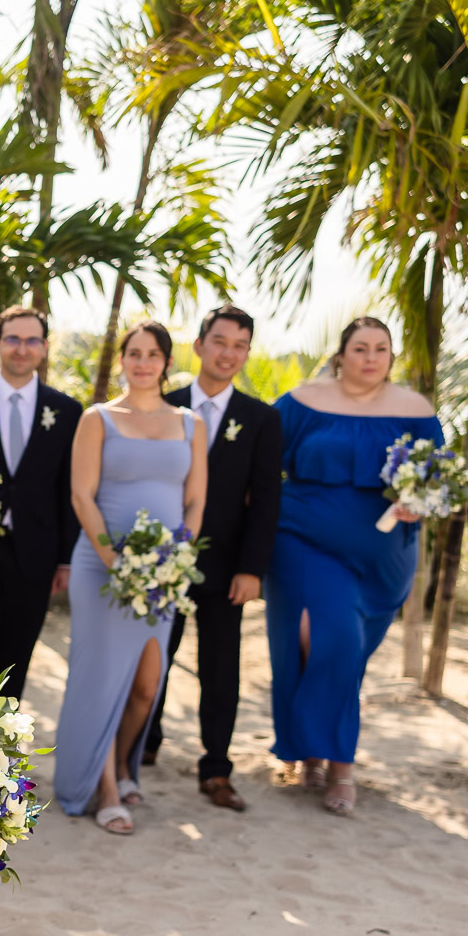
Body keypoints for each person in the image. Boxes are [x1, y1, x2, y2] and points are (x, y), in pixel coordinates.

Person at [265, 317, 440, 816]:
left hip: (384, 555)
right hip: (302, 539)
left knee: (345, 654)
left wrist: (420, 501)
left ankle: (310, 750)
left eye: (381, 349)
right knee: (331, 639)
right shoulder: (302, 401)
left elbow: (437, 477)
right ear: (340, 354)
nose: (370, 357)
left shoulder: (416, 409)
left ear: (391, 357)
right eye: (360, 348)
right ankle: (341, 765)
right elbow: (261, 461)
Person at [55, 322, 206, 833]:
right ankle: (106, 790)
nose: (143, 362)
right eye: (134, 354)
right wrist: (116, 560)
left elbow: (196, 501)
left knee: (146, 684)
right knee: (101, 680)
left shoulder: (190, 423)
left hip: (162, 574)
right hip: (104, 568)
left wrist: (174, 561)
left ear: (166, 362)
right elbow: (81, 496)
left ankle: (120, 762)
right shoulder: (98, 419)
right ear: (123, 360)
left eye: (153, 354)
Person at [142, 306, 282, 809]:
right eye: (220, 341)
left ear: (246, 354)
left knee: (221, 666)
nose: (228, 353)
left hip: (227, 567)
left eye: (240, 345)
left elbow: (267, 500)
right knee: (154, 656)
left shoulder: (262, 419)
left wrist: (252, 569)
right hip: (159, 562)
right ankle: (145, 744)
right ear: (199, 345)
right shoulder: (162, 404)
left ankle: (217, 768)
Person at [0, 305, 82, 704]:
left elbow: (67, 488)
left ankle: (0, 758)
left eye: (32, 340)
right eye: (13, 340)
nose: (22, 349)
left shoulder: (67, 411)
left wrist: (65, 560)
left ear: (44, 348)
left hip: (36, 553)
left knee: (16, 659)